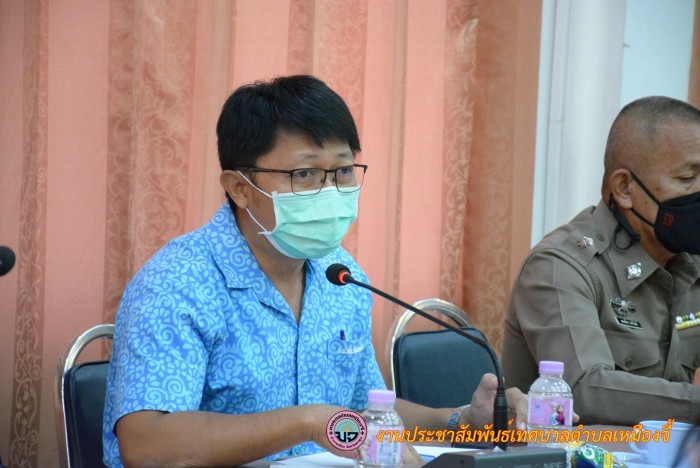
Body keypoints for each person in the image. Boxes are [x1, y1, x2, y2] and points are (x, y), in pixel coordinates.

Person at [103, 75, 527, 467]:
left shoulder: (339, 275)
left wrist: (461, 421)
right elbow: (147, 445)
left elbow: (366, 413)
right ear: (239, 188)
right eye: (304, 173)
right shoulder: (178, 283)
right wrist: (308, 422)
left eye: (342, 171)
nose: (330, 191)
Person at [502, 96, 700, 426]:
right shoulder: (560, 267)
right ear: (625, 188)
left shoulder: (689, 262)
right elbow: (582, 389)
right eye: (686, 178)